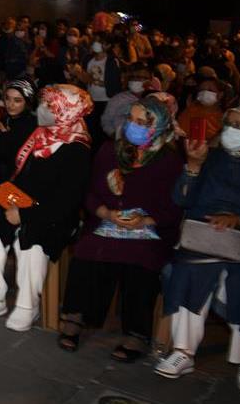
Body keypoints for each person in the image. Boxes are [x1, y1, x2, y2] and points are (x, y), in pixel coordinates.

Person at [155, 106, 240, 392]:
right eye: (228, 123)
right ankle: (183, 351)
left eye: (239, 126)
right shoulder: (212, 159)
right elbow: (181, 199)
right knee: (187, 270)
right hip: (202, 240)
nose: (231, 129)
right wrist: (193, 165)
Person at [59, 96, 183, 362]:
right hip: (108, 220)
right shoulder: (109, 150)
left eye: (141, 122)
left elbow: (174, 207)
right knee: (89, 249)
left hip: (148, 227)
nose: (133, 126)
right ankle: (76, 316)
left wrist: (145, 221)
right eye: (131, 119)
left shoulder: (168, 160)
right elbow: (91, 192)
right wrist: (106, 213)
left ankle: (136, 333)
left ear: (158, 127)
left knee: (140, 258)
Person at [0, 85, 93, 332]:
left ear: (64, 111)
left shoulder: (77, 148)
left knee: (30, 240)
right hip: (20, 201)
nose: (42, 109)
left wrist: (25, 214)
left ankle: (28, 305)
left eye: (50, 105)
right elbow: (3, 154)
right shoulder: (39, 134)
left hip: (53, 215)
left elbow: (66, 202)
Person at [100, 66, 152, 138]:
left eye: (140, 77)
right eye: (133, 77)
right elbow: (106, 121)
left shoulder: (153, 99)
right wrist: (115, 136)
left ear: (149, 81)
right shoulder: (118, 99)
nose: (136, 80)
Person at [178, 77, 225, 145]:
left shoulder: (225, 116)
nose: (205, 92)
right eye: (202, 90)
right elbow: (181, 134)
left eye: (210, 90)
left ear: (220, 94)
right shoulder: (189, 111)